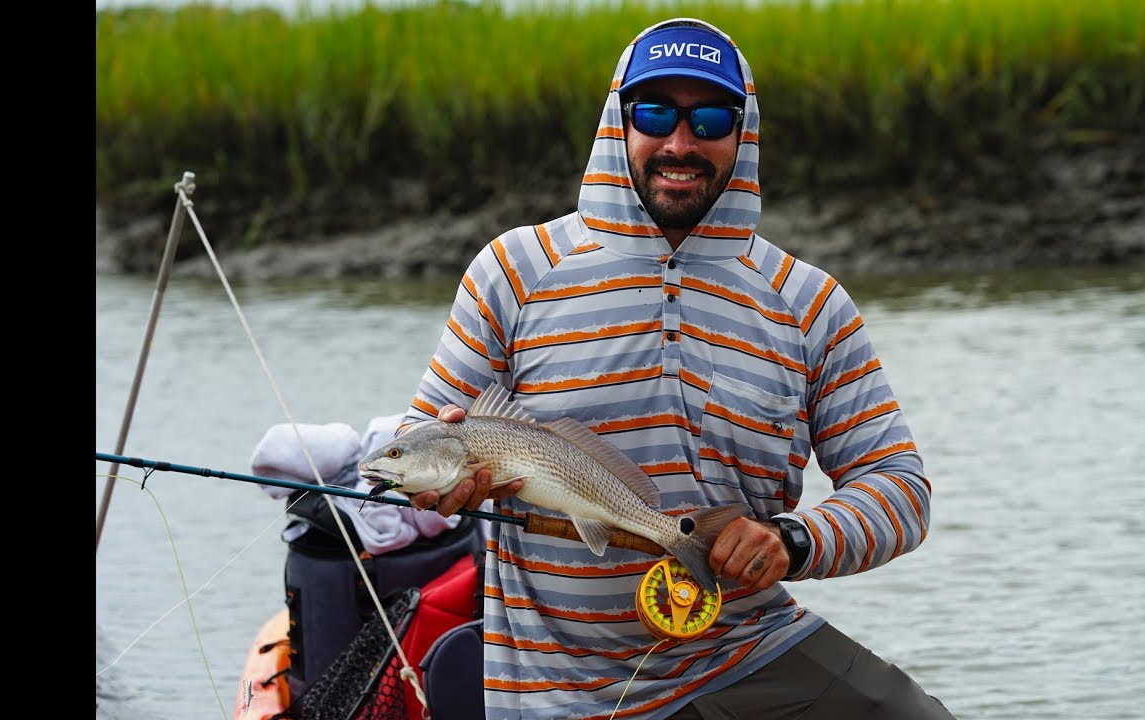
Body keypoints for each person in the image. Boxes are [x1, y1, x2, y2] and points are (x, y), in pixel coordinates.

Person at [394, 17, 955, 720]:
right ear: (617, 124)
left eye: (710, 117)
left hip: (747, 647)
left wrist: (793, 539)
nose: (680, 143)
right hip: (559, 690)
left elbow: (899, 489)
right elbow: (424, 436)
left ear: (742, 133)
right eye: (654, 114)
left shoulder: (810, 304)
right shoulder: (512, 272)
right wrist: (442, 482)